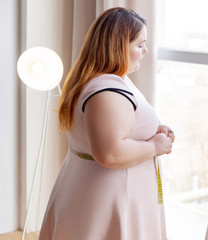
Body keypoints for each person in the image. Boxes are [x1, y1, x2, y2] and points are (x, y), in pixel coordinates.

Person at [39, 7, 174, 240]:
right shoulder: (106, 92)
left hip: (104, 194)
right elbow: (109, 153)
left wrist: (154, 131)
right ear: (119, 46)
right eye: (139, 45)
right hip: (110, 199)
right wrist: (154, 147)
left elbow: (121, 125)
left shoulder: (110, 80)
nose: (145, 51)